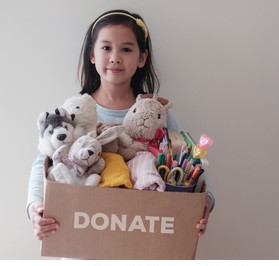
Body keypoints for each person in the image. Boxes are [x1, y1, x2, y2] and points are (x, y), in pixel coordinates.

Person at [27, 9, 215, 242]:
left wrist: (205, 201)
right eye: (106, 48)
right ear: (92, 55)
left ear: (141, 58)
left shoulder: (156, 112)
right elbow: (42, 163)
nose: (115, 57)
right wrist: (35, 207)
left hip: (139, 240)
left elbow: (191, 162)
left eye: (126, 49)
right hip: (84, 237)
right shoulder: (73, 112)